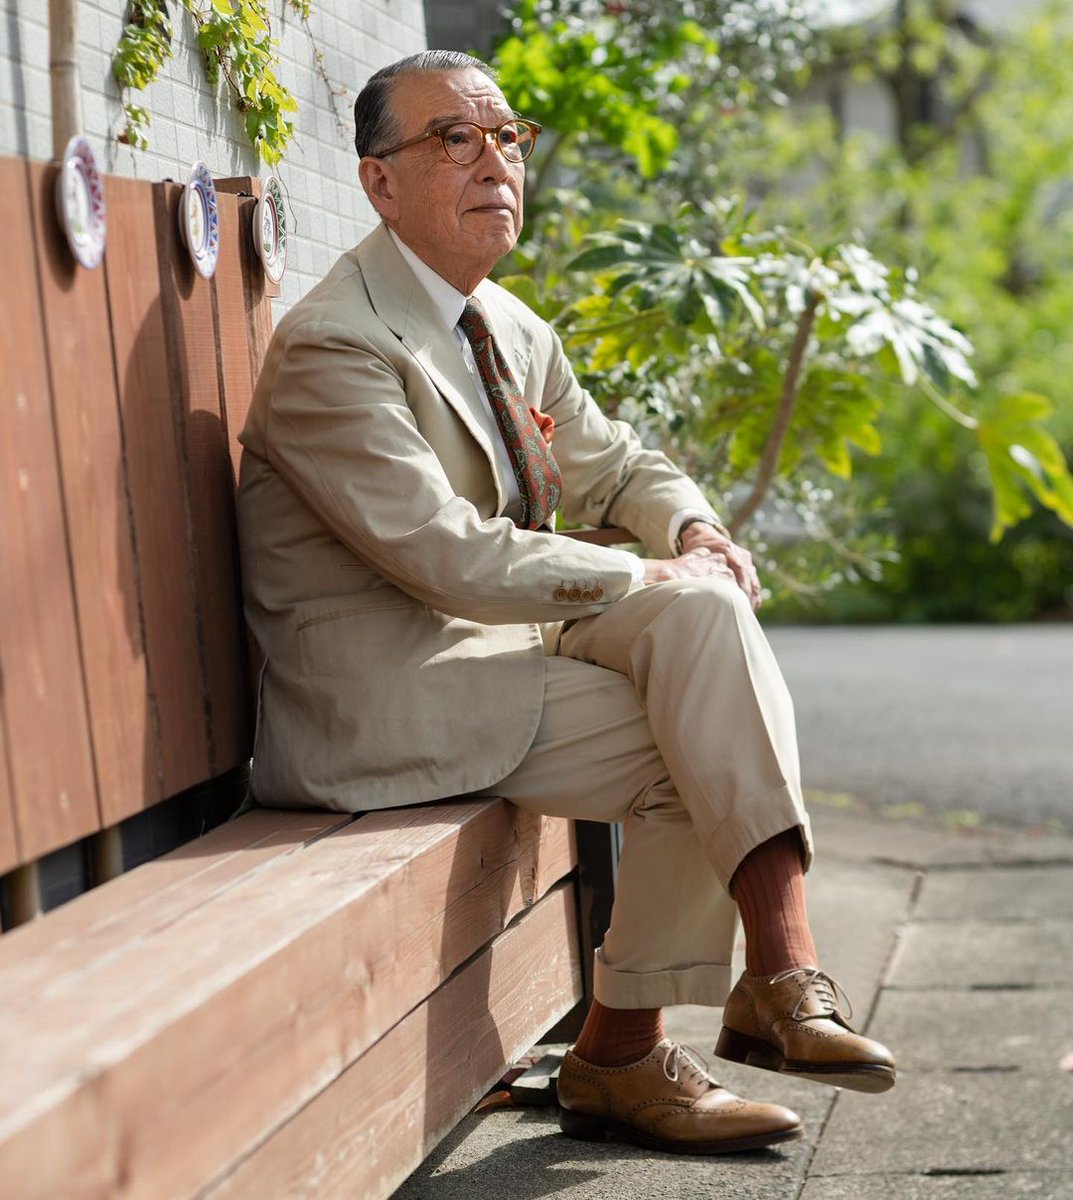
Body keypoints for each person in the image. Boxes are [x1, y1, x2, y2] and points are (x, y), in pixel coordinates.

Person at [236, 49, 895, 1156]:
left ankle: (761, 987)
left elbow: (616, 465)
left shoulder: (502, 323)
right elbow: (442, 558)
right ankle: (639, 1048)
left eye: (506, 135)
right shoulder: (334, 346)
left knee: (704, 624)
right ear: (377, 181)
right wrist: (641, 573)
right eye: (454, 137)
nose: (493, 160)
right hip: (384, 700)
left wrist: (690, 534)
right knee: (698, 718)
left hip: (493, 660)